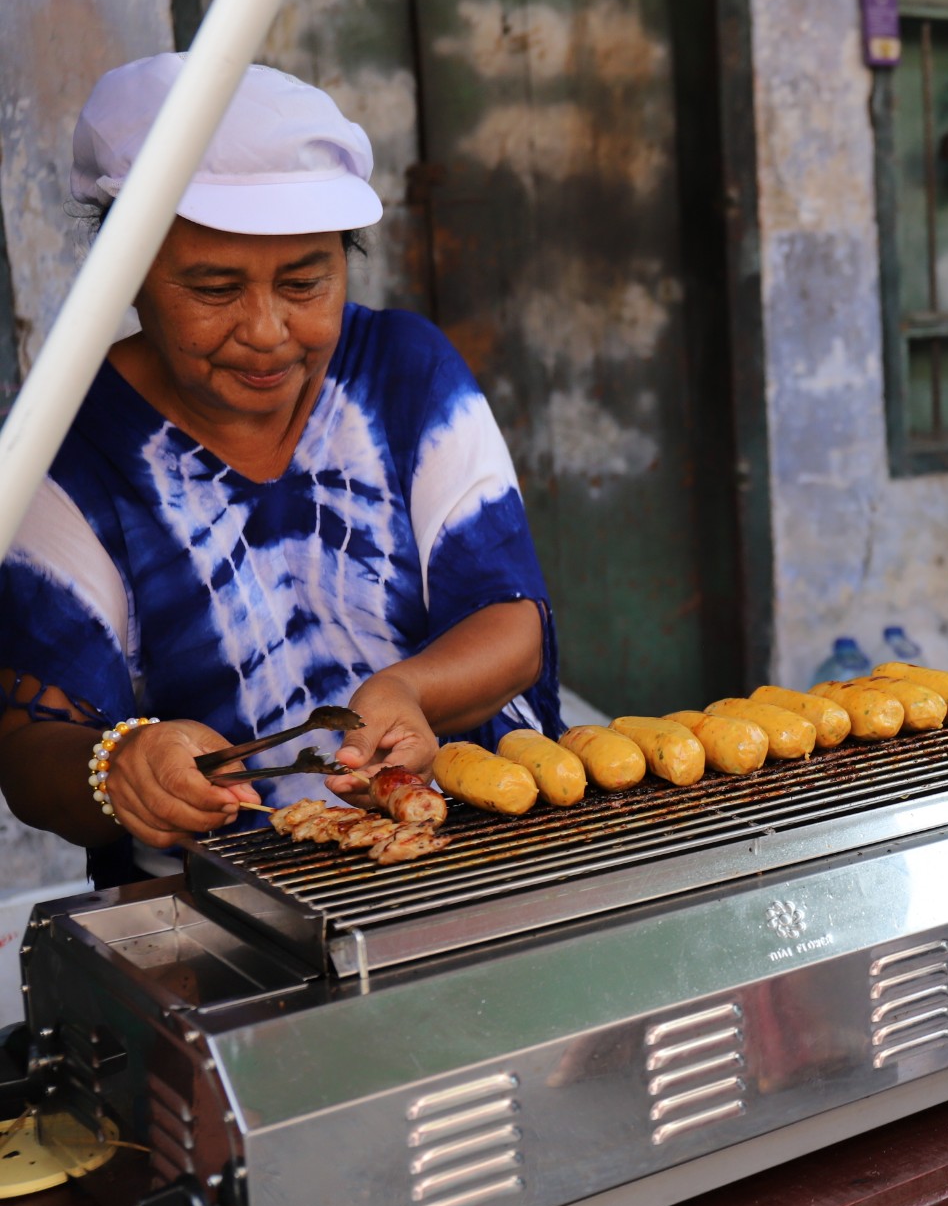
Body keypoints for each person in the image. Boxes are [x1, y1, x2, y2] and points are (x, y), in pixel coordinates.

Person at [0, 53, 560, 888]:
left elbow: (512, 626)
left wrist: (410, 688)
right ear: (127, 270)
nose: (266, 331)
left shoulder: (407, 374)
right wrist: (121, 769)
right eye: (214, 288)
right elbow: (30, 748)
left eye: (306, 281)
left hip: (478, 859)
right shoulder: (63, 446)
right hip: (219, 917)